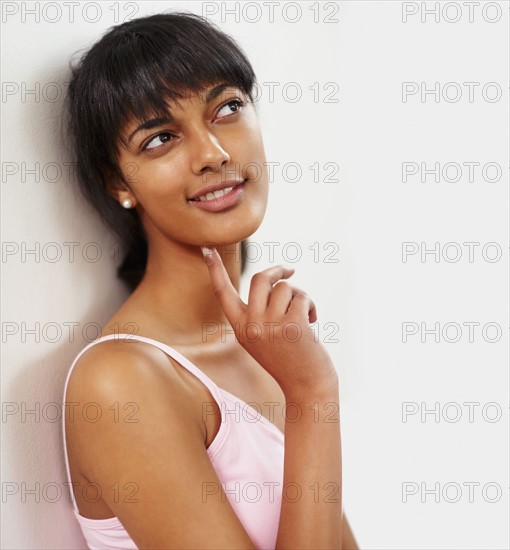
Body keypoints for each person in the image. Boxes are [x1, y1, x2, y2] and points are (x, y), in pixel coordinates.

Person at [61, 11, 358, 549]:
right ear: (117, 182)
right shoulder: (118, 383)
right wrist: (313, 394)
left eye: (227, 108)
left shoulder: (262, 348)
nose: (213, 154)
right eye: (160, 139)